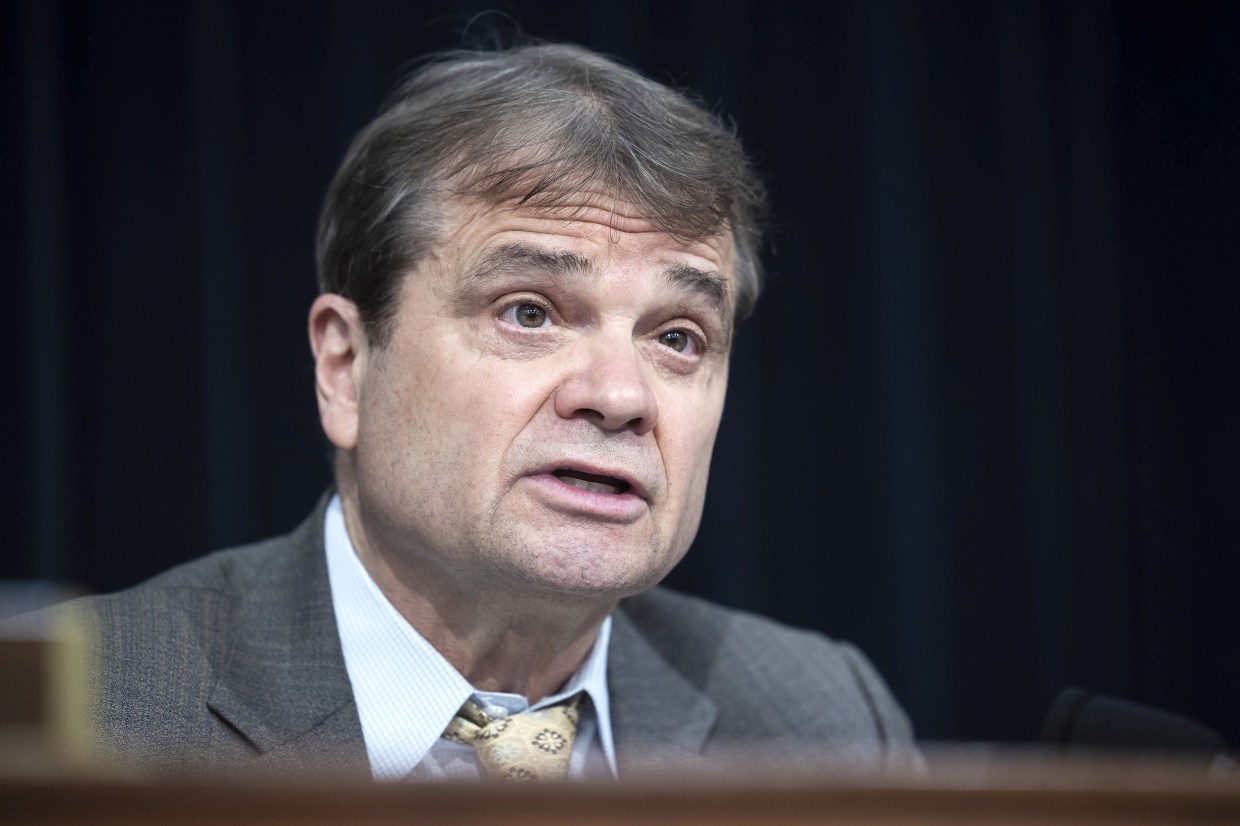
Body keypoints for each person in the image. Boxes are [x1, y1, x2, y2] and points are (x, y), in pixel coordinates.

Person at [56, 42, 914, 781]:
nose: (618, 398)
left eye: (679, 337)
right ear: (346, 368)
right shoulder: (87, 718)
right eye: (529, 313)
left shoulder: (823, 718)